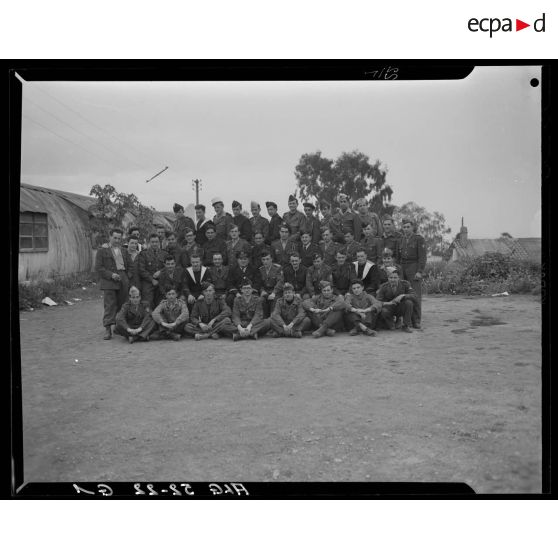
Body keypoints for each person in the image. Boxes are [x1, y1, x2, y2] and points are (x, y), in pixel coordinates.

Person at [95, 228, 130, 340]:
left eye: (119, 238)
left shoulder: (124, 250)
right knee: (110, 305)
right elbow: (99, 268)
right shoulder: (102, 251)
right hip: (109, 280)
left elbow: (129, 265)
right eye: (114, 238)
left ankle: (119, 327)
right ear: (110, 237)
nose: (117, 240)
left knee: (123, 303)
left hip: (122, 278)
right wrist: (111, 275)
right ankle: (108, 329)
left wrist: (127, 277)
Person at [400, 218, 426, 328]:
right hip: (403, 267)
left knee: (415, 295)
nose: (406, 229)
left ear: (413, 227)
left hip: (414, 267)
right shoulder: (401, 239)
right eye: (404, 227)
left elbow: (422, 257)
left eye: (408, 227)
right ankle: (407, 320)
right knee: (404, 295)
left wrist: (420, 271)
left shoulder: (418, 239)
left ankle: (416, 320)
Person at [138, 233, 168, 309]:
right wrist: (152, 280)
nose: (155, 244)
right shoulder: (143, 254)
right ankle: (148, 319)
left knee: (162, 303)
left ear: (159, 242)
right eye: (152, 242)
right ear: (149, 242)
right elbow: (141, 270)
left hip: (161, 282)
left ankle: (160, 319)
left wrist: (161, 272)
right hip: (148, 282)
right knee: (147, 303)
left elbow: (169, 266)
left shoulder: (165, 254)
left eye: (156, 242)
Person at [258, 250, 284, 317]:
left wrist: (274, 293)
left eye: (267, 259)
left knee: (274, 300)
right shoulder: (260, 269)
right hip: (266, 291)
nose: (265, 261)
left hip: (276, 291)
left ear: (271, 259)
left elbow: (280, 282)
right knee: (261, 300)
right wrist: (262, 291)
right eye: (263, 259)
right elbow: (259, 283)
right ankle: (264, 319)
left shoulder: (277, 268)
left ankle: (273, 319)